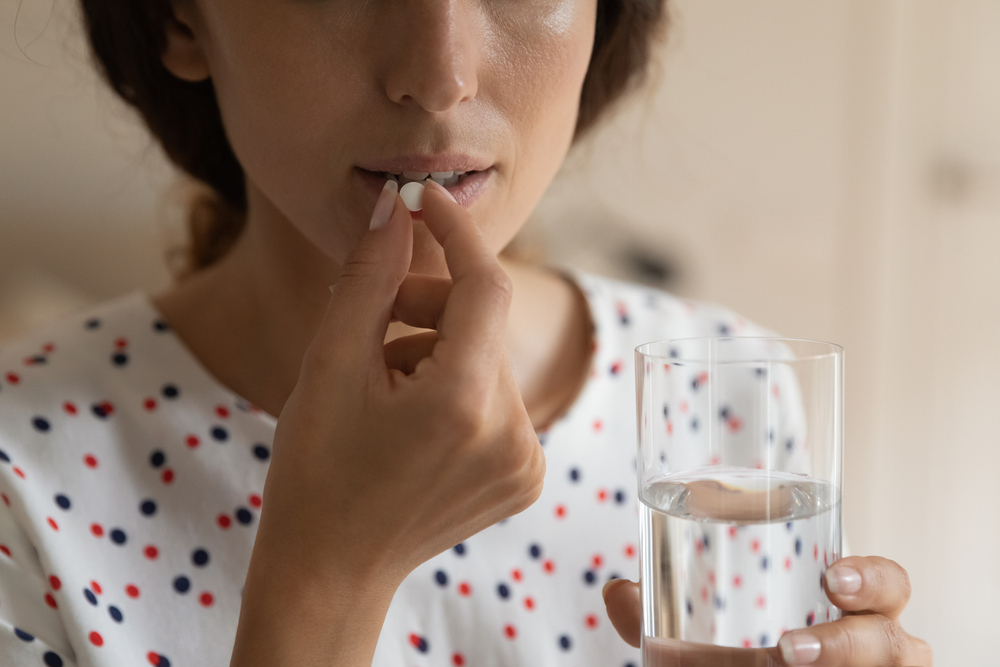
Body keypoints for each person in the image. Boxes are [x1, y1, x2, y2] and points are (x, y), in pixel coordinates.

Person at [0, 0, 932, 665]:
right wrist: (326, 579)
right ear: (179, 20)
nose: (440, 76)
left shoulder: (723, 387)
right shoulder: (22, 465)